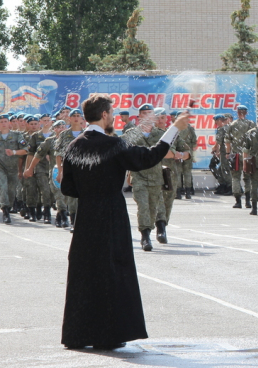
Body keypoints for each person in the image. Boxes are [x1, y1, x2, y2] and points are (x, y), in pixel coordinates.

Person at [60, 95, 190, 350]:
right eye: (112, 111)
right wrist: (174, 128)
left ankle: (78, 334)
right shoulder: (113, 144)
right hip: (110, 214)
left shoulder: (74, 145)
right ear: (105, 115)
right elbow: (148, 158)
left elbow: (68, 187)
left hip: (85, 215)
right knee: (111, 270)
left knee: (84, 272)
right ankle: (108, 334)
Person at [121, 104, 167, 251]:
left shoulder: (160, 134)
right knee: (143, 206)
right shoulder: (131, 133)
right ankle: (145, 237)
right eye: (144, 113)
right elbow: (119, 150)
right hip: (138, 176)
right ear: (139, 117)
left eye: (150, 113)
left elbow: (170, 151)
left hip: (155, 177)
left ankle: (152, 228)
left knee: (153, 208)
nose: (148, 116)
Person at [158, 111, 190, 230]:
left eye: (163, 118)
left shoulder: (174, 135)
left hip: (170, 175)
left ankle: (163, 226)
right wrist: (172, 154)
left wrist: (180, 154)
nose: (160, 120)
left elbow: (188, 152)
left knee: (168, 202)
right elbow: (166, 153)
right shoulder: (151, 135)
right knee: (157, 202)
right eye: (158, 118)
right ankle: (158, 226)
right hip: (153, 174)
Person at [226, 105, 256, 208]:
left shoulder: (232, 125)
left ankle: (238, 201)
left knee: (235, 177)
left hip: (235, 155)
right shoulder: (251, 124)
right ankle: (248, 201)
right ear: (246, 113)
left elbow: (228, 141)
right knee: (248, 178)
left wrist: (227, 153)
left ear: (238, 113)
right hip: (248, 155)